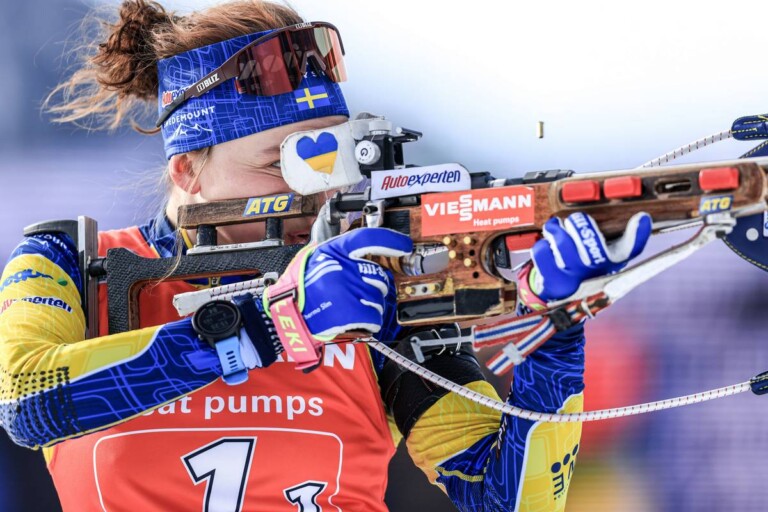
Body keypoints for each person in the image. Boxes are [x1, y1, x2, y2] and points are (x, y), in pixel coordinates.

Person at [0, 1, 651, 510]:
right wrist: (273, 323)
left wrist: (557, 331)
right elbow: (28, 403)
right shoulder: (69, 261)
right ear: (187, 171)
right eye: (278, 166)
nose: (315, 195)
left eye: (330, 162)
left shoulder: (373, 286)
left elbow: (508, 497)